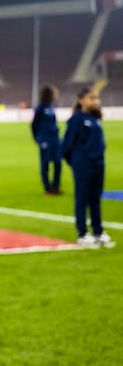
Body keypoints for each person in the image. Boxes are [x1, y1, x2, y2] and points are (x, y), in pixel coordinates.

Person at [61, 87, 114, 249]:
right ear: (81, 100)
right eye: (91, 98)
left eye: (96, 98)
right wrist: (78, 161)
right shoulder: (77, 119)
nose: (95, 101)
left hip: (98, 163)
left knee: (95, 199)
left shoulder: (95, 118)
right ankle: (82, 233)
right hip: (83, 164)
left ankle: (98, 231)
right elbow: (66, 145)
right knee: (82, 198)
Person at [31, 84, 62, 194]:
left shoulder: (51, 107)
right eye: (54, 93)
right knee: (45, 164)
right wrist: (36, 138)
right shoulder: (40, 108)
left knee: (58, 163)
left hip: (55, 139)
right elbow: (34, 124)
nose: (56, 95)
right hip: (45, 139)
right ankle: (47, 187)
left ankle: (56, 186)